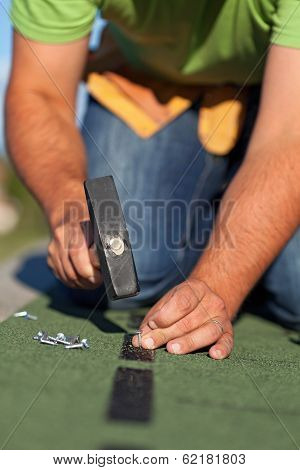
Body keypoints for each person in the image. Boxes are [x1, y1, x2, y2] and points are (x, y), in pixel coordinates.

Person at [6, 1, 300, 359]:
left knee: (295, 282)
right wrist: (66, 202)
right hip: (149, 85)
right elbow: (39, 91)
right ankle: (220, 215)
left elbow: (287, 135)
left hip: (284, 92)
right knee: (113, 271)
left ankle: (234, 222)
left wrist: (220, 282)